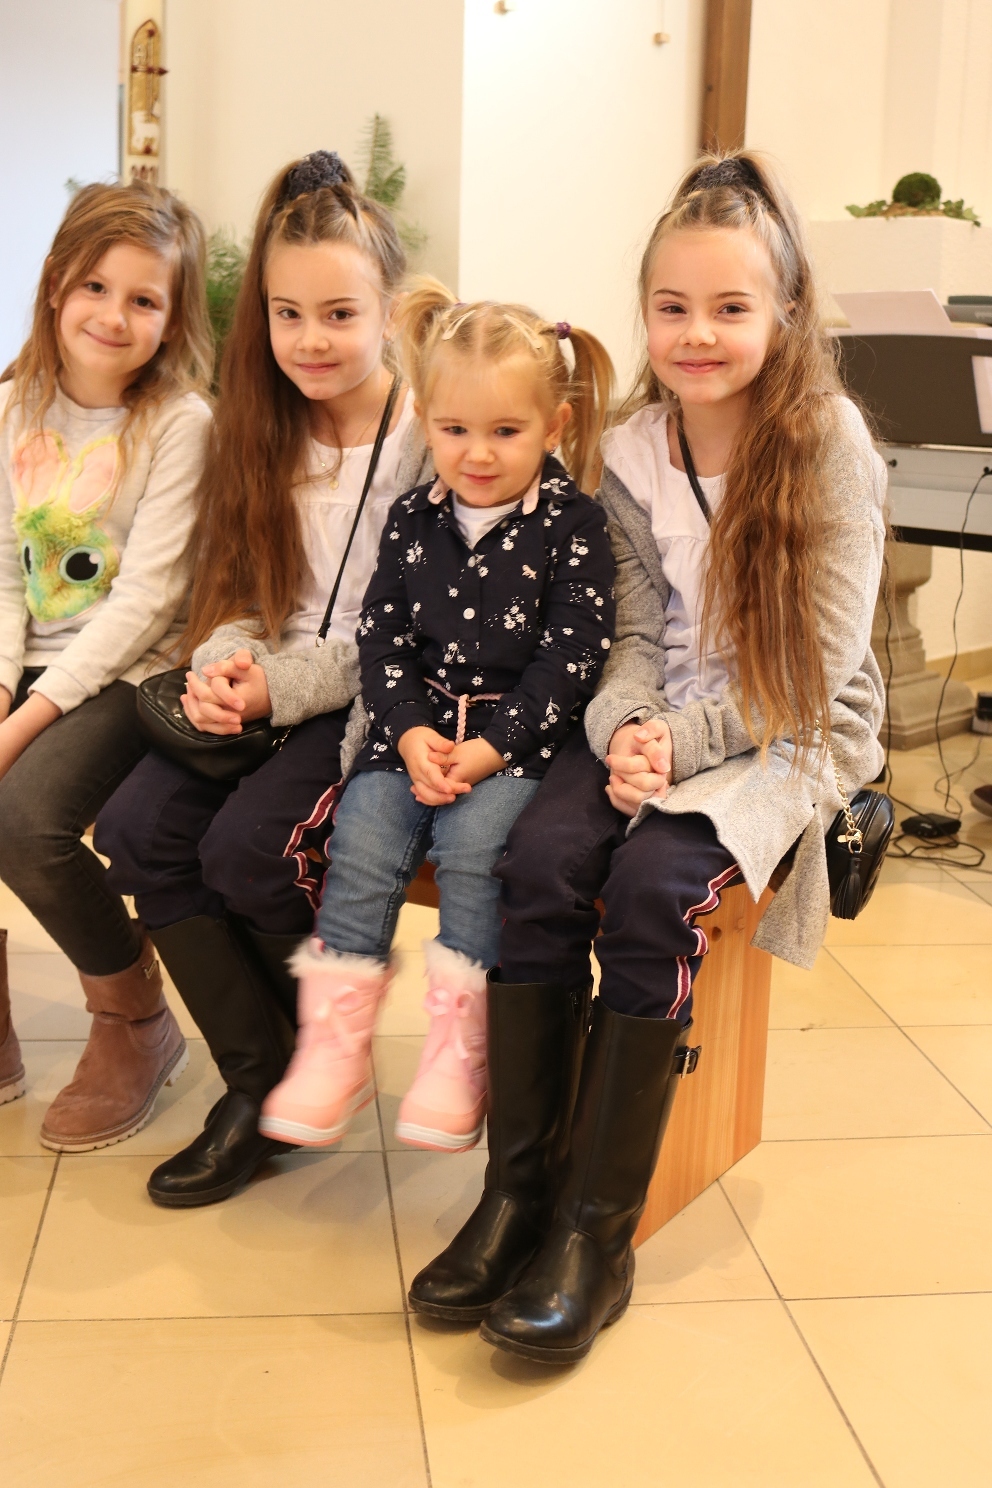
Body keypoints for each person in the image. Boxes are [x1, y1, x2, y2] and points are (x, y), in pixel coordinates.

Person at [410, 151, 887, 1363]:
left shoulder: (826, 442)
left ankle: (592, 1231)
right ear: (643, 312)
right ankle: (515, 1194)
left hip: (782, 722)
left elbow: (815, 662)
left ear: (784, 310)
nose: (697, 334)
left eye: (729, 307)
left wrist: (679, 743)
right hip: (652, 715)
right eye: (671, 307)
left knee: (652, 890)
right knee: (534, 863)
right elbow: (627, 629)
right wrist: (624, 725)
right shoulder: (626, 449)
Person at [95, 150, 430, 1207]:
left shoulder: (428, 437)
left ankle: (312, 1054)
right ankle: (263, 1079)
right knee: (138, 830)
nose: (310, 340)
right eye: (289, 315)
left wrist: (274, 688)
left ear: (390, 312)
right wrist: (223, 663)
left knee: (248, 852)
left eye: (339, 314)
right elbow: (237, 585)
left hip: (370, 702)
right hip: (265, 693)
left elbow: (407, 634)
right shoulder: (260, 424)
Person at [257, 280, 615, 1157]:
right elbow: (381, 637)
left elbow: (571, 659)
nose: (477, 454)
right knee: (362, 844)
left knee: (475, 853)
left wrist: (491, 749)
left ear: (555, 426)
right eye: (455, 430)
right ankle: (333, 1048)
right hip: (407, 736)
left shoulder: (575, 524)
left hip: (516, 747)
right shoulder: (412, 518)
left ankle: (460, 1052)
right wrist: (411, 730)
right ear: (425, 419)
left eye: (506, 432)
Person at [0, 181, 212, 1150]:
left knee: (21, 819)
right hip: (27, 663)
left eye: (143, 299)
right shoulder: (13, 407)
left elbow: (147, 604)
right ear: (56, 284)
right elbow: (5, 576)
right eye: (95, 287)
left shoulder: (179, 423)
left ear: (173, 317)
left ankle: (134, 1016)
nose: (113, 316)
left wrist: (24, 721)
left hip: (129, 673)